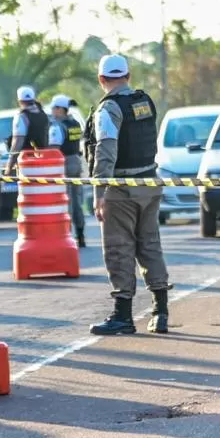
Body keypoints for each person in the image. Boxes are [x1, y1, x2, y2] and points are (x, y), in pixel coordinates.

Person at [82, 54, 171, 336]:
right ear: (128, 76)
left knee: (119, 249)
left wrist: (99, 192)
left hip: (121, 188)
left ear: (101, 79)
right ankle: (160, 311)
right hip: (149, 182)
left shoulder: (108, 109)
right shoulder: (144, 101)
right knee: (150, 245)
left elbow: (105, 151)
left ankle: (122, 316)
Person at [48, 94, 87, 248]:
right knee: (77, 201)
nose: (52, 111)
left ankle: (67, 235)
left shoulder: (57, 127)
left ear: (60, 109)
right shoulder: (75, 124)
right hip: (76, 162)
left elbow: (54, 149)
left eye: (53, 108)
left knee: (65, 201)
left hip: (63, 163)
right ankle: (80, 234)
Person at [3, 85, 50, 177]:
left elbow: (17, 143)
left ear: (19, 101)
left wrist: (9, 167)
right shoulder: (43, 115)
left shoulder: (21, 117)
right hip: (44, 161)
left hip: (27, 162)